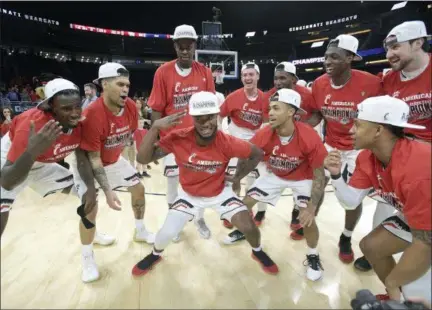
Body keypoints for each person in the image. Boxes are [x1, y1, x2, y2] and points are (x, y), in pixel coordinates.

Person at [132, 91, 278, 276]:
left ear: (217, 116)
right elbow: (142, 157)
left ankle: (257, 251)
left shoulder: (228, 142)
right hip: (189, 195)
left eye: (210, 117)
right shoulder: (178, 138)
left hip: (219, 193)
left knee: (249, 226)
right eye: (200, 119)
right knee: (165, 234)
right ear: (192, 118)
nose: (206, 123)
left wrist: (238, 177)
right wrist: (154, 128)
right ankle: (155, 254)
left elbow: (256, 153)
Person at [324, 95, 431, 303]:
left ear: (379, 130)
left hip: (427, 226)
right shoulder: (367, 156)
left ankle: (404, 300)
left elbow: (426, 242)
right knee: (371, 246)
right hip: (419, 215)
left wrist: (393, 284)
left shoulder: (417, 169)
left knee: (415, 289)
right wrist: (336, 175)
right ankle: (400, 301)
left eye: (357, 124)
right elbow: (350, 202)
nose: (350, 130)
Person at [223, 89, 327, 280]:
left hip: (302, 178)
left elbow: (320, 175)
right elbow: (249, 157)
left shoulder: (309, 136)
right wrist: (237, 178)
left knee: (308, 219)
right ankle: (243, 231)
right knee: (242, 206)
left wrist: (311, 206)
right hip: (275, 174)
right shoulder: (265, 133)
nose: (269, 112)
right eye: (270, 108)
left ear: (291, 112)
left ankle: (313, 254)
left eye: (276, 108)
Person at [354, 20, 432, 272]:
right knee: (385, 214)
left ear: (418, 42)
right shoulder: (387, 81)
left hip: (421, 162)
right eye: (387, 49)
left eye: (396, 47)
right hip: (399, 157)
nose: (389, 55)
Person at [301, 34, 384, 264]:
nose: (327, 61)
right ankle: (309, 224)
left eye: (334, 57)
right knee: (316, 187)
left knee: (352, 200)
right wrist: (301, 130)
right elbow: (317, 112)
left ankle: (346, 237)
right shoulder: (319, 84)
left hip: (359, 149)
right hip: (330, 144)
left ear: (349, 58)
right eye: (326, 56)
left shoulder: (372, 83)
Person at [72, 62, 155, 283]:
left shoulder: (129, 107)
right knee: (90, 208)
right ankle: (87, 257)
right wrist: (108, 191)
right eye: (120, 84)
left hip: (113, 160)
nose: (126, 89)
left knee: (138, 188)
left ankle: (140, 230)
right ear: (104, 85)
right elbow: (94, 158)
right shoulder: (92, 114)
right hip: (89, 165)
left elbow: (127, 135)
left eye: (127, 84)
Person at [0, 78, 96, 238]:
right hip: (11, 163)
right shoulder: (31, 125)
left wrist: (91, 188)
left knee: (87, 193)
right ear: (50, 108)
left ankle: (90, 231)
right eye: (66, 109)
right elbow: (7, 181)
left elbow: (81, 159)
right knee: (2, 207)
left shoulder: (80, 123)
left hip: (42, 165)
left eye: (77, 106)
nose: (74, 113)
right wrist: (32, 152)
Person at [147, 24, 216, 241]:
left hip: (199, 137)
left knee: (202, 181)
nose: (185, 50)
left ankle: (199, 218)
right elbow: (157, 110)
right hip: (173, 139)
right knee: (172, 183)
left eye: (189, 46)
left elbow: (211, 108)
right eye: (181, 46)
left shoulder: (205, 72)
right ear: (175, 46)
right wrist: (158, 140)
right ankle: (173, 222)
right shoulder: (162, 72)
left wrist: (213, 136)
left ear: (195, 46)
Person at [255, 61, 315, 231]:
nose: (278, 82)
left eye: (283, 78)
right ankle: (261, 211)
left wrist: (303, 132)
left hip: (303, 144)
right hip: (280, 145)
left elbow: (317, 114)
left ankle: (297, 214)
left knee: (302, 184)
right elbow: (268, 125)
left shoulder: (307, 94)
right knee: (270, 180)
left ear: (294, 79)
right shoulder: (269, 96)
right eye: (276, 78)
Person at [219, 62, 269, 229]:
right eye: (245, 75)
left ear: (258, 76)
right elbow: (219, 116)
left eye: (251, 74)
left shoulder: (265, 99)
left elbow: (267, 124)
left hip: (256, 139)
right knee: (235, 177)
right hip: (235, 137)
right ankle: (233, 210)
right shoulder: (233, 97)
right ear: (241, 78)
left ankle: (254, 210)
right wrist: (221, 133)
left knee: (256, 179)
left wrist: (261, 141)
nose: (248, 78)